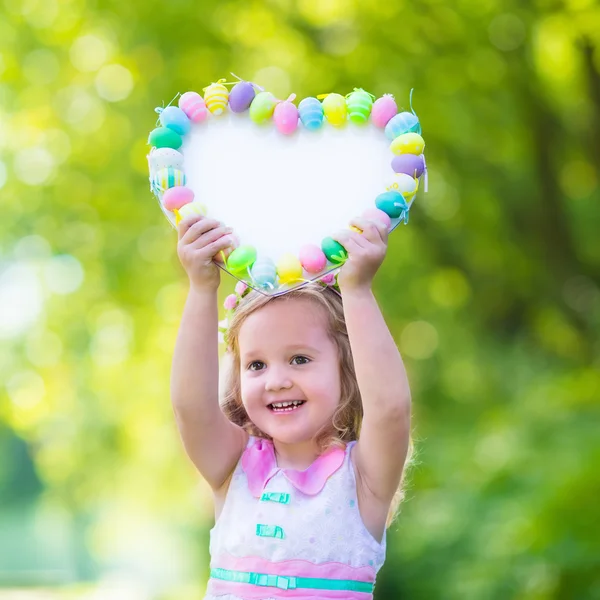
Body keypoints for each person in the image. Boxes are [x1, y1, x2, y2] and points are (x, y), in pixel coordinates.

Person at [171, 213, 413, 599]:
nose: (277, 380)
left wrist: (357, 291)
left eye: (300, 359)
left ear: (346, 371)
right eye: (256, 365)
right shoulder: (232, 467)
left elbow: (390, 410)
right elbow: (190, 407)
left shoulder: (364, 479)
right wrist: (202, 289)